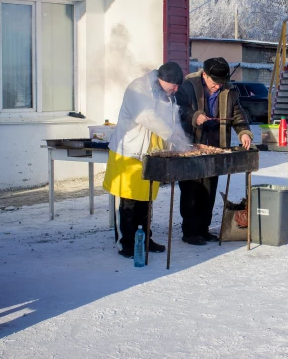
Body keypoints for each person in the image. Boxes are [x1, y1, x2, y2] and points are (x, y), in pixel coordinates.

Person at [103, 62, 187, 258]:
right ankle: (125, 243)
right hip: (129, 153)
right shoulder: (137, 88)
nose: (175, 90)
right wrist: (171, 134)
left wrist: (181, 141)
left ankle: (144, 239)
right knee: (126, 201)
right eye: (173, 86)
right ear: (162, 79)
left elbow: (172, 120)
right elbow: (146, 117)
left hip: (150, 154)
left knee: (145, 200)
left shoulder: (165, 95)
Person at [175, 57, 253, 246]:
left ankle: (204, 229)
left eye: (221, 82)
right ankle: (190, 232)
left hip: (215, 145)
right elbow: (178, 109)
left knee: (208, 190)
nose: (218, 86)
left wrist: (243, 132)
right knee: (192, 189)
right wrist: (194, 116)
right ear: (204, 75)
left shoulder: (229, 90)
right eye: (214, 82)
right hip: (190, 144)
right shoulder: (188, 86)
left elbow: (237, 114)